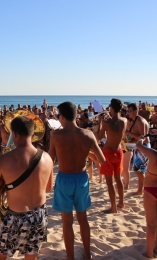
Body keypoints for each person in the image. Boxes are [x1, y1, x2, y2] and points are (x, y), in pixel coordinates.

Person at [0, 115, 54, 260]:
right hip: (39, 215)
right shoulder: (47, 157)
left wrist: (2, 183)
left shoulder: (3, 160)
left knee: (0, 255)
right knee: (31, 254)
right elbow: (49, 187)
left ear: (14, 134)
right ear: (33, 133)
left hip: (15, 217)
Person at [49, 101, 105, 260]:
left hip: (65, 178)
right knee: (83, 219)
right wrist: (84, 152)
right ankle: (88, 254)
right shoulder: (88, 134)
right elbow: (101, 160)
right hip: (81, 179)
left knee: (67, 222)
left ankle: (70, 257)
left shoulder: (56, 135)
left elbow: (50, 160)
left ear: (62, 116)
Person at [96, 99, 127, 213]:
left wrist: (100, 122)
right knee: (118, 179)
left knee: (110, 182)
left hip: (108, 152)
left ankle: (113, 207)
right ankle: (121, 203)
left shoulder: (107, 123)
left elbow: (99, 137)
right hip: (118, 151)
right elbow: (116, 124)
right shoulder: (124, 121)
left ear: (112, 108)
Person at [125, 103, 150, 195]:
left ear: (135, 111)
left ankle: (141, 190)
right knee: (138, 169)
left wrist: (128, 133)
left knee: (139, 170)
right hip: (138, 147)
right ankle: (141, 189)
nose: (128, 113)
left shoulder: (140, 121)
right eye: (128, 111)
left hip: (144, 147)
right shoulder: (135, 120)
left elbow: (143, 137)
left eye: (130, 111)